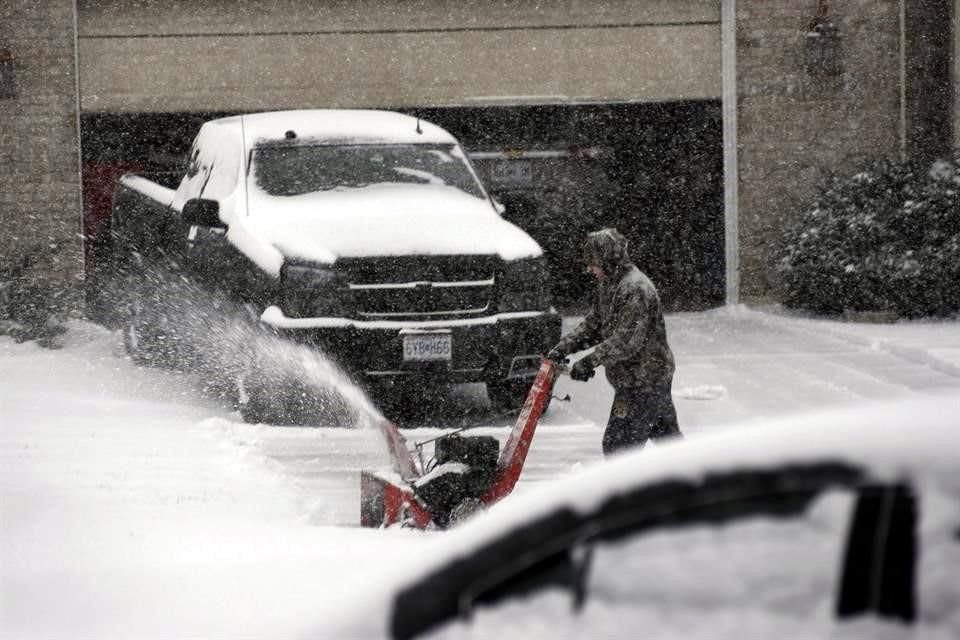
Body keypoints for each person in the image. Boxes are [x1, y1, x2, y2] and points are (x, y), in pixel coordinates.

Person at [547, 228, 681, 456]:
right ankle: (698, 482)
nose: (589, 269)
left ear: (608, 260)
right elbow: (595, 324)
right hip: (638, 379)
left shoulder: (636, 289)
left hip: (644, 381)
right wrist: (564, 347)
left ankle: (632, 490)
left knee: (618, 447)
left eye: (593, 262)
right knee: (669, 444)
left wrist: (589, 362)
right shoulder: (610, 285)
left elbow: (627, 340)